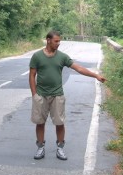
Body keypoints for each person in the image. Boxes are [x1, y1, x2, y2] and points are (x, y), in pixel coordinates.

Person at [29, 30, 106, 160]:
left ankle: (60, 148)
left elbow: (79, 68)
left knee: (60, 123)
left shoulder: (62, 57)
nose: (58, 43)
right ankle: (40, 147)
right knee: (40, 122)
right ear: (48, 40)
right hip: (41, 95)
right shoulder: (37, 56)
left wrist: (96, 75)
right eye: (56, 41)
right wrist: (34, 94)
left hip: (57, 95)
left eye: (59, 41)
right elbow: (32, 75)